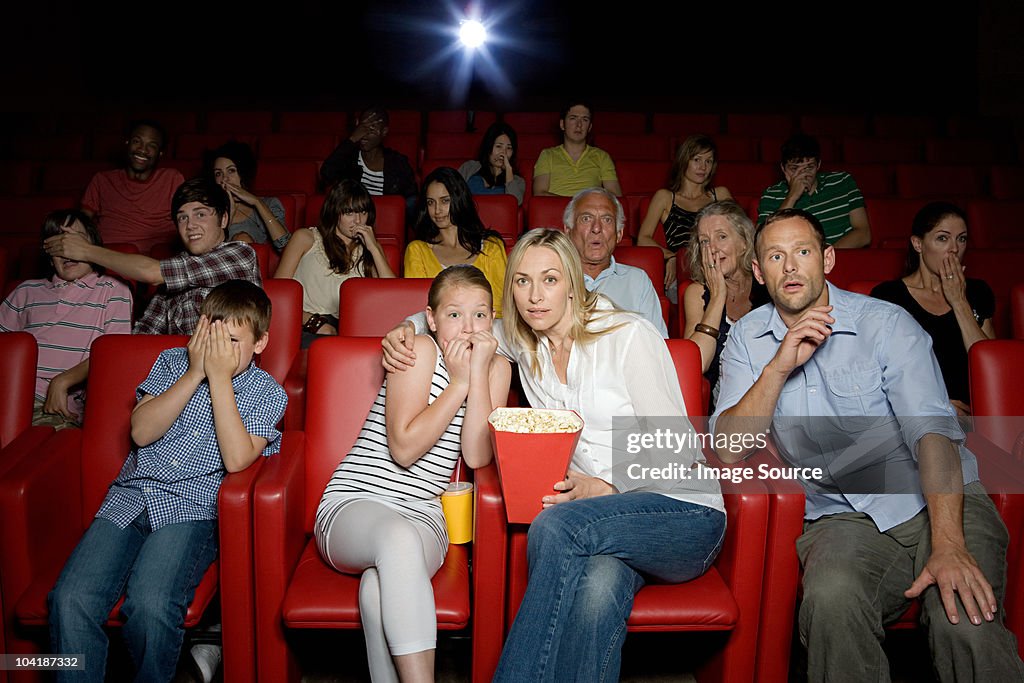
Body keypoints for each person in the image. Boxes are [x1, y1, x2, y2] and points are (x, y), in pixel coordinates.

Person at [382, 229, 724, 682]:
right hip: (604, 526)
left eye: (549, 280)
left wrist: (608, 485)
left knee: (556, 524)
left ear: (574, 283)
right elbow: (457, 318)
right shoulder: (526, 341)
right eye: (522, 282)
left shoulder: (628, 335)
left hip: (684, 513)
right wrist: (404, 329)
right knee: (599, 590)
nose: (535, 296)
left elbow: (676, 446)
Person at [710, 208, 1024, 682]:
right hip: (839, 517)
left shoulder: (887, 324)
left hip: (934, 501)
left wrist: (949, 544)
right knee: (831, 601)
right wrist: (777, 366)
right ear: (758, 271)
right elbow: (730, 447)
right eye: (775, 256)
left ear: (828, 259)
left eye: (802, 252)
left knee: (963, 616)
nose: (790, 267)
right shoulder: (748, 341)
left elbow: (933, 434)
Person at [47, 279, 288, 683]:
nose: (217, 351)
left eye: (231, 340)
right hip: (131, 498)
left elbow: (236, 459)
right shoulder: (172, 363)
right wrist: (195, 373)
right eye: (210, 336)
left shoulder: (267, 392)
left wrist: (220, 379)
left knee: (152, 604)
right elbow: (141, 433)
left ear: (259, 343)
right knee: (70, 599)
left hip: (192, 508)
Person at [315, 265, 510, 682]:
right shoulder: (418, 349)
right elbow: (404, 449)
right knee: (395, 540)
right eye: (454, 314)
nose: (468, 326)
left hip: (425, 515)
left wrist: (475, 376)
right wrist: (457, 384)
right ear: (432, 318)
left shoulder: (497, 369)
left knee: (376, 589)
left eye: (480, 314)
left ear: (493, 319)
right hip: (355, 503)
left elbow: (476, 456)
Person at [45, 177, 261, 335]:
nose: (190, 225)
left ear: (223, 220)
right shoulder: (173, 280)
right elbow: (144, 334)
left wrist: (86, 250)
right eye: (182, 218)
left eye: (201, 214)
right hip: (177, 379)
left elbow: (152, 273)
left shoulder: (240, 254)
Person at [0, 209, 132, 429]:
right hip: (9, 393)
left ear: (93, 249)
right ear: (49, 257)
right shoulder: (26, 291)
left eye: (75, 241)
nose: (66, 250)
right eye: (57, 243)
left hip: (54, 407)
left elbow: (114, 354)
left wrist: (63, 381)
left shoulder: (112, 289)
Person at [871, 202, 994, 416]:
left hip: (977, 412)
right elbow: (880, 373)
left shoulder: (976, 291)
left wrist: (959, 301)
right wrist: (938, 405)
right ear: (918, 244)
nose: (954, 248)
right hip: (917, 411)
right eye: (943, 238)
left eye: (961, 238)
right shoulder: (888, 296)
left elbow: (989, 368)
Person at [274, 179, 397, 348]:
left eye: (363, 212)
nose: (358, 220)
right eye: (349, 213)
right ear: (335, 213)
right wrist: (314, 323)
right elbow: (277, 296)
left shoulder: (371, 249)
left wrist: (374, 249)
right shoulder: (306, 238)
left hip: (352, 329)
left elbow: (392, 298)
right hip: (305, 324)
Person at [682, 200, 769, 413]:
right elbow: (696, 364)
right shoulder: (697, 293)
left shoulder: (769, 285)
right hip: (726, 403)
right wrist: (718, 294)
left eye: (722, 237)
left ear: (745, 242)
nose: (712, 248)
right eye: (704, 241)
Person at [563, 187, 668, 337]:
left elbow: (657, 345)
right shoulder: (549, 279)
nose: (597, 228)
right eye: (586, 218)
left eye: (606, 220)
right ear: (568, 231)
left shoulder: (638, 281)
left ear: (619, 234)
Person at [637, 134, 734, 296]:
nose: (703, 167)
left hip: (721, 265)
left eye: (708, 161)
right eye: (697, 159)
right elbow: (643, 239)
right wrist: (672, 257)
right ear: (684, 161)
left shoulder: (721, 195)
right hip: (684, 270)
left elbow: (739, 232)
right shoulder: (665, 197)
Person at [404, 167, 508, 317]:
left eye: (445, 201)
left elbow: (501, 308)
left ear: (459, 200)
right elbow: (419, 310)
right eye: (431, 203)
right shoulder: (417, 251)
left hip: (489, 334)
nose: (437, 210)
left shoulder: (491, 247)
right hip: (437, 336)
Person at [81, 119, 185, 255]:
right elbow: (82, 221)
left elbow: (188, 220)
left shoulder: (172, 178)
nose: (142, 150)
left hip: (155, 261)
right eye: (137, 141)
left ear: (160, 153)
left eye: (151, 145)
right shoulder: (102, 179)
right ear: (127, 143)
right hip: (106, 258)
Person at [757, 132, 871, 248]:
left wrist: (824, 258)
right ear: (783, 168)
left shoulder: (843, 182)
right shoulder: (771, 195)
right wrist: (792, 197)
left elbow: (864, 234)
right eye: (794, 169)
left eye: (809, 167)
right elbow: (762, 241)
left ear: (818, 165)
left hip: (843, 259)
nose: (803, 175)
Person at [319, 106, 418, 216]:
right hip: (354, 219)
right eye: (362, 128)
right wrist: (352, 139)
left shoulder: (398, 163)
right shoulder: (349, 158)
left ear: (384, 132)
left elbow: (411, 200)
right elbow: (326, 174)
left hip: (387, 219)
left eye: (371, 129)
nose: (364, 135)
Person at [202, 140, 291, 250]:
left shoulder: (269, 204)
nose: (224, 179)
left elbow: (285, 246)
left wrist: (257, 203)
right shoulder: (210, 211)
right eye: (218, 173)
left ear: (244, 173)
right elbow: (208, 254)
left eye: (231, 171)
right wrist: (230, 214)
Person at [532, 101, 623, 197]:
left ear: (590, 127)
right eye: (573, 118)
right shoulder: (547, 155)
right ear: (562, 124)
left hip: (592, 210)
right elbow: (539, 193)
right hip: (555, 210)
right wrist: (574, 205)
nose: (579, 125)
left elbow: (615, 195)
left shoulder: (602, 157)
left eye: (585, 120)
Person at [457, 121, 527, 205]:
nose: (503, 153)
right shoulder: (470, 167)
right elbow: (452, 193)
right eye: (498, 146)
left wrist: (508, 170)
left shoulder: (517, 181)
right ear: (488, 147)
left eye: (509, 148)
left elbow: (515, 204)